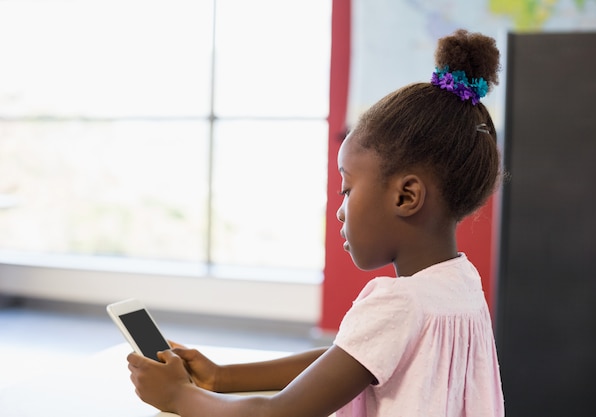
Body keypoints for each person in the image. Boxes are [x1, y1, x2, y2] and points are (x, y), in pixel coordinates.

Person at [127, 29, 505, 417]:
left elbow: (278, 413)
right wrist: (221, 378)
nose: (341, 210)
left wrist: (177, 397)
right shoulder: (462, 284)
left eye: (347, 189)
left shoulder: (399, 303)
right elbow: (352, 356)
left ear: (405, 196)